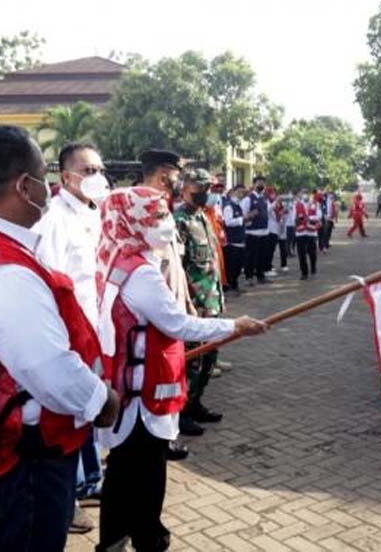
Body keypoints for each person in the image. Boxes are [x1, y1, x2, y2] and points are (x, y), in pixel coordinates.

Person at [0, 125, 119, 552]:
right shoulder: (4, 270)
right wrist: (102, 401)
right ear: (23, 185)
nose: (46, 189)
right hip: (22, 460)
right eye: (41, 177)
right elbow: (50, 372)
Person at [95, 186, 267, 552]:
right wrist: (234, 326)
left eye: (165, 214)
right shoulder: (139, 273)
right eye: (156, 217)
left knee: (124, 471)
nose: (166, 224)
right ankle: (146, 538)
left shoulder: (116, 257)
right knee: (146, 473)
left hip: (130, 383)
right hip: (142, 394)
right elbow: (179, 325)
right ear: (133, 221)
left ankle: (114, 538)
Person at [35, 142, 111, 533]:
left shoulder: (94, 213)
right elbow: (52, 281)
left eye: (100, 168)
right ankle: (71, 494)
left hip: (96, 326)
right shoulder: (55, 220)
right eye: (88, 170)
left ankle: (90, 480)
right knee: (73, 410)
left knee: (90, 406)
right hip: (70, 330)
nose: (97, 176)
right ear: (66, 177)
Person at [138, 149, 195, 459]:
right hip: (154, 313)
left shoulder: (163, 209)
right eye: (175, 178)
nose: (179, 183)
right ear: (163, 177)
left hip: (172, 308)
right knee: (156, 379)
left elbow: (175, 262)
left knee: (173, 375)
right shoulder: (139, 211)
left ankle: (167, 433)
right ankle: (158, 437)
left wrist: (186, 302)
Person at [175, 169, 227, 436]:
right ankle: (181, 411)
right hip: (194, 305)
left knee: (210, 356)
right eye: (200, 186)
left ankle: (195, 403)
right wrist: (186, 304)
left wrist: (219, 297)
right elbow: (177, 268)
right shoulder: (179, 221)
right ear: (184, 187)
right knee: (192, 360)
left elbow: (212, 265)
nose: (205, 191)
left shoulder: (204, 218)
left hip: (211, 302)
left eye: (208, 186)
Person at [241, 175, 271, 285]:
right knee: (251, 256)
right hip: (252, 232)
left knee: (262, 256)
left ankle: (260, 276)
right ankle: (249, 277)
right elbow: (243, 216)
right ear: (254, 184)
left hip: (264, 231)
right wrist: (250, 216)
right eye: (259, 182)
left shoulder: (263, 199)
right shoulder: (248, 199)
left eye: (263, 183)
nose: (261, 185)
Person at [221, 184, 250, 296]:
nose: (241, 194)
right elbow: (228, 222)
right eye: (239, 192)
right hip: (232, 241)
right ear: (233, 191)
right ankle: (229, 287)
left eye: (243, 192)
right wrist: (242, 219)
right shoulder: (229, 206)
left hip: (240, 240)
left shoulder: (238, 206)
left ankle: (235, 285)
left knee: (238, 266)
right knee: (231, 266)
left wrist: (246, 220)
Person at [295, 189, 321, 280]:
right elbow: (293, 218)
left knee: (312, 252)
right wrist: (299, 219)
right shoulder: (297, 204)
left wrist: (308, 218)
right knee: (301, 253)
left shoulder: (315, 204)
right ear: (301, 195)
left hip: (311, 231)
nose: (305, 195)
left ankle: (313, 267)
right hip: (300, 232)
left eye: (306, 193)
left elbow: (319, 216)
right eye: (303, 193)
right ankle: (304, 272)